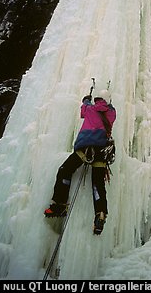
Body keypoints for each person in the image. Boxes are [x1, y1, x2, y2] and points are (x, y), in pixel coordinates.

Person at [44, 90, 116, 235]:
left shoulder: (90, 109)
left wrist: (86, 99)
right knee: (98, 184)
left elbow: (83, 110)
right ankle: (100, 214)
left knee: (65, 170)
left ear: (97, 100)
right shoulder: (111, 113)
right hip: (102, 152)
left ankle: (60, 205)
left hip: (86, 149)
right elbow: (109, 109)